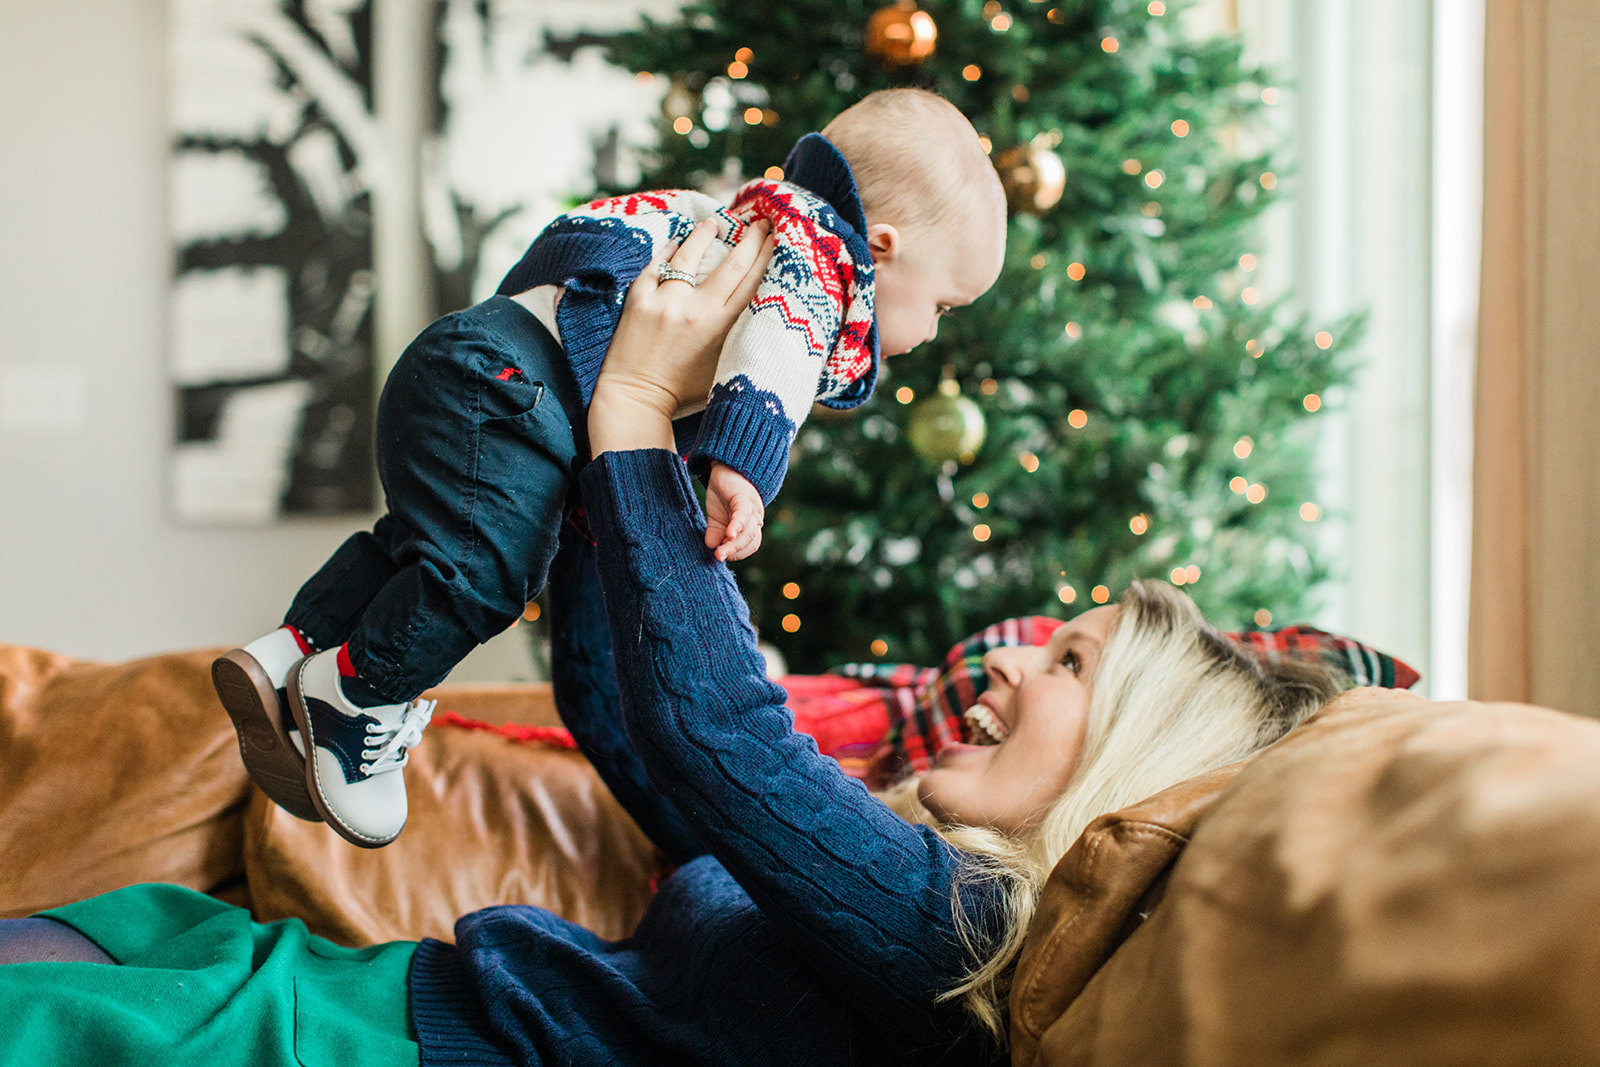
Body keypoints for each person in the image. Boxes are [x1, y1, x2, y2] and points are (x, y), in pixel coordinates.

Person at [0, 225, 1339, 1066]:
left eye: (1070, 665)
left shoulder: (965, 938)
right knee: (90, 934)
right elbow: (642, 730)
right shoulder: (899, 879)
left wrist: (636, 410)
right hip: (391, 994)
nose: (1009, 661)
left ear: (1128, 753)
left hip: (386, 1041)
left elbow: (720, 737)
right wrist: (594, 454)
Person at [212, 87, 1009, 848]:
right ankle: (357, 694)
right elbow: (773, 361)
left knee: (420, 550)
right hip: (514, 392)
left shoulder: (742, 216)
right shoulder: (814, 262)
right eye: (943, 306)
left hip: (468, 360)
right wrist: (743, 470)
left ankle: (291, 648)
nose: (934, 333)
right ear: (882, 249)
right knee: (487, 578)